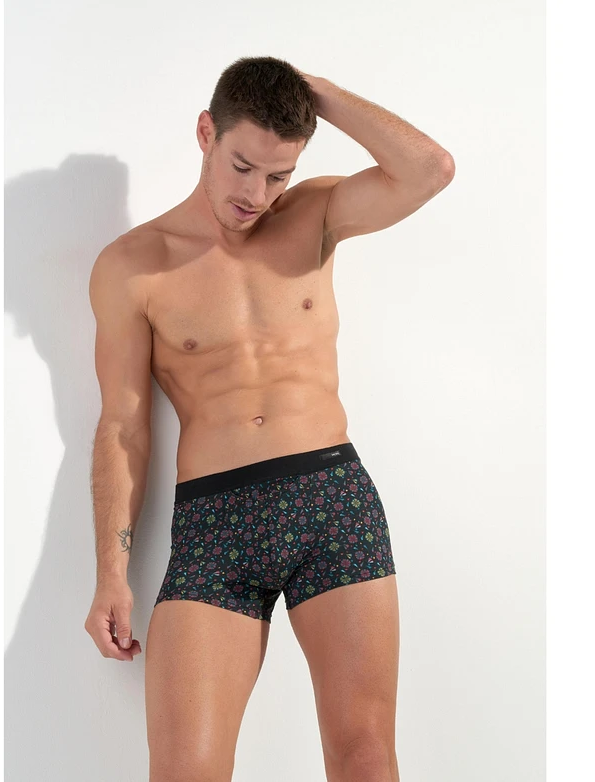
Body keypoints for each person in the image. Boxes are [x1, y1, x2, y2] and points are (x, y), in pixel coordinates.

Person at [84, 55, 454, 782]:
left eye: (278, 175)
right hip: (215, 525)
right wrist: (110, 573)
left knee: (364, 755)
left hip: (331, 502)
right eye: (243, 167)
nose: (256, 194)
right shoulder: (134, 266)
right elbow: (123, 427)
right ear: (206, 133)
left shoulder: (313, 216)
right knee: (184, 770)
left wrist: (317, 92)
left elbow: (430, 170)